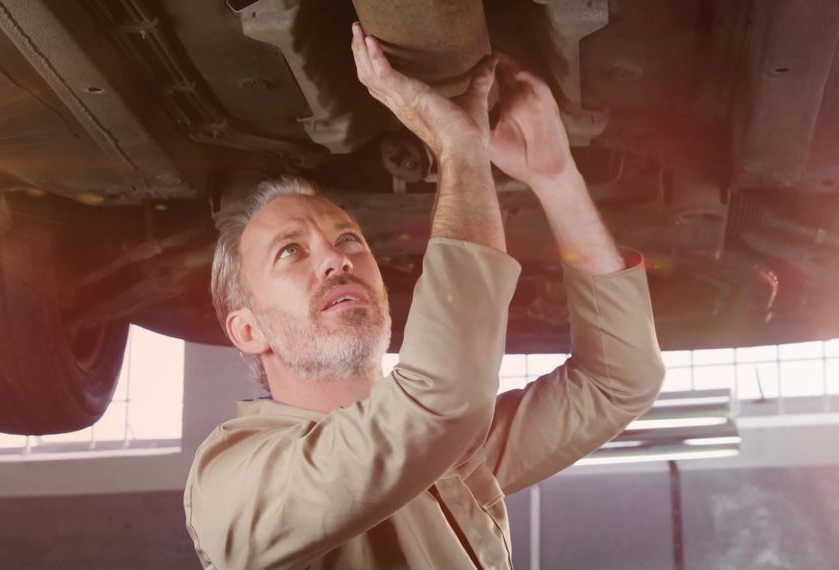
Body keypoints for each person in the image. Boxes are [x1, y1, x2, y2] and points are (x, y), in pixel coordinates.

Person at [183, 22, 666, 569]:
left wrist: (553, 175)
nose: (337, 258)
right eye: (291, 252)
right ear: (248, 331)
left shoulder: (444, 449)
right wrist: (460, 149)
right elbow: (440, 403)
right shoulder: (233, 484)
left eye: (346, 239)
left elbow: (619, 379)